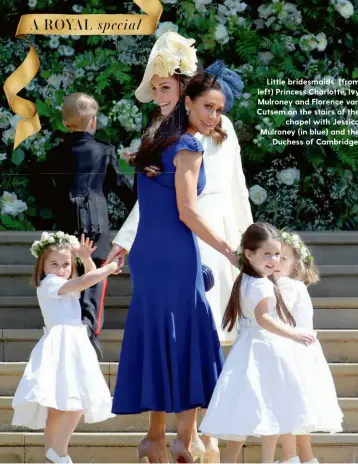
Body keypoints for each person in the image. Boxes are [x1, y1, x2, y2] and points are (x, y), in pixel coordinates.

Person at [111, 71, 239, 463]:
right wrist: (230, 250)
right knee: (188, 336)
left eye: (219, 110)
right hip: (175, 253)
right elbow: (187, 211)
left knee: (164, 336)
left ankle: (156, 438)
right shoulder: (186, 145)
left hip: (149, 254)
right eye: (208, 107)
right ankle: (184, 439)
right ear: (188, 103)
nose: (214, 116)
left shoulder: (153, 139)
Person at [108, 32, 252, 345]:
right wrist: (126, 240)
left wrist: (246, 238)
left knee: (204, 324)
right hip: (178, 229)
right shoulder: (163, 132)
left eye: (165, 88)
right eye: (156, 89)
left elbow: (236, 188)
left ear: (184, 88)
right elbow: (156, 195)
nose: (159, 97)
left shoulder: (213, 127)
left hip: (206, 230)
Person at [199, 222, 319, 464]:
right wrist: (294, 334)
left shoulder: (245, 278)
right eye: (267, 254)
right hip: (265, 351)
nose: (274, 260)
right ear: (249, 254)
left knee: (244, 413)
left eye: (277, 254)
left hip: (246, 351)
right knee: (271, 409)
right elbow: (263, 319)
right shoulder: (262, 283)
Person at [35, 93, 136, 359]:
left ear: (63, 121)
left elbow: (42, 191)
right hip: (97, 226)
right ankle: (89, 333)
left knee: (66, 278)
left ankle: (69, 337)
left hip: (66, 226)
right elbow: (124, 191)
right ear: (93, 121)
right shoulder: (104, 151)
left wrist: (59, 204)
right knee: (94, 283)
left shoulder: (54, 154)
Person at [12, 232, 120, 464]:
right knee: (77, 399)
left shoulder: (62, 283)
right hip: (64, 343)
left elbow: (89, 278)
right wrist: (110, 267)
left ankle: (52, 453)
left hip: (71, 341)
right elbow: (85, 281)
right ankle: (59, 451)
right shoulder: (50, 284)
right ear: (42, 266)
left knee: (59, 405)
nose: (61, 268)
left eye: (66, 264)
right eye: (54, 264)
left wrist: (85, 257)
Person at [275, 231, 343, 463]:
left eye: (283, 259)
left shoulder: (286, 286)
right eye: (274, 256)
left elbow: (278, 317)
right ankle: (306, 457)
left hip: (291, 354)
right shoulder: (296, 285)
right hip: (304, 355)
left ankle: (288, 456)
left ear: (295, 264)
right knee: (299, 412)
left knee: (287, 409)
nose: (276, 262)